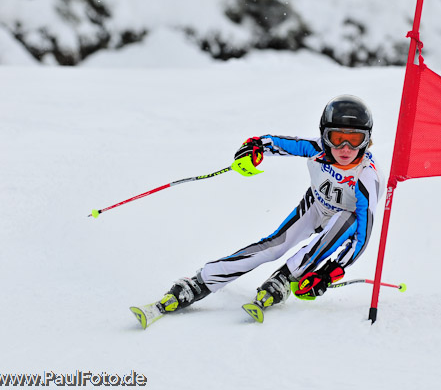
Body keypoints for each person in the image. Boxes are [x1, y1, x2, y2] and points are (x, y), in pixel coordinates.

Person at [157, 95, 385, 318]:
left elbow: (362, 237)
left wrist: (329, 272)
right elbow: (278, 144)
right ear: (324, 136)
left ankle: (287, 276)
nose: (345, 148)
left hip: (344, 221)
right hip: (315, 207)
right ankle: (202, 281)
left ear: (367, 140)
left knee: (346, 220)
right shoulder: (317, 149)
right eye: (337, 138)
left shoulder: (366, 177)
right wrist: (255, 146)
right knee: (273, 246)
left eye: (355, 140)